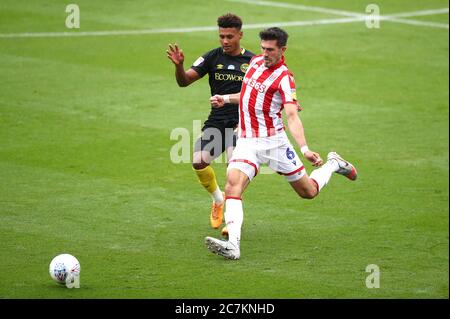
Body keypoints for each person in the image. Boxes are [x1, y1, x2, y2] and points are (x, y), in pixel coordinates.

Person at [205, 27, 357, 260]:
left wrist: (304, 149)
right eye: (263, 48)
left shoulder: (285, 78)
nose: (264, 53)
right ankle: (233, 245)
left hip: (274, 143)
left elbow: (292, 115)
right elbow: (246, 95)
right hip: (247, 140)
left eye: (270, 50)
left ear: (282, 50)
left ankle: (334, 164)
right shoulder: (254, 63)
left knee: (308, 192)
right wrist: (224, 98)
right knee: (232, 185)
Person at [167, 14, 254, 231]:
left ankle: (231, 223)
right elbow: (184, 81)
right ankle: (218, 200)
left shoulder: (252, 62)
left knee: (233, 171)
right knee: (198, 161)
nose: (225, 41)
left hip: (241, 124)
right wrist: (179, 66)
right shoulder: (212, 57)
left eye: (230, 37)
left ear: (240, 35)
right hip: (216, 122)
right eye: (221, 36)